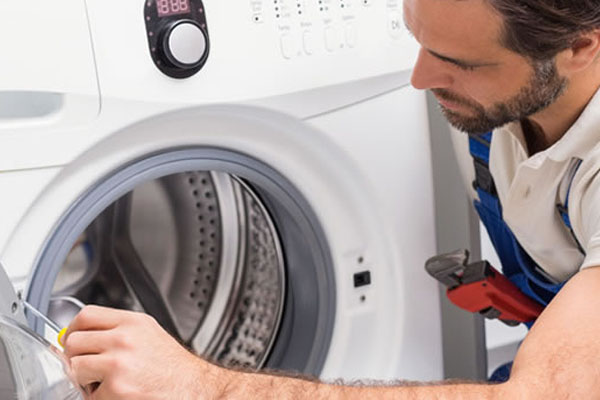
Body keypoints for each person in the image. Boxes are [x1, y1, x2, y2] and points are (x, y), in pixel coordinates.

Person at [62, 0, 600, 398]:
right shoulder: (502, 71)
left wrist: (201, 386)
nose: (419, 78)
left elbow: (550, 393)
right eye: (417, 39)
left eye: (457, 61)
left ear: (580, 48)